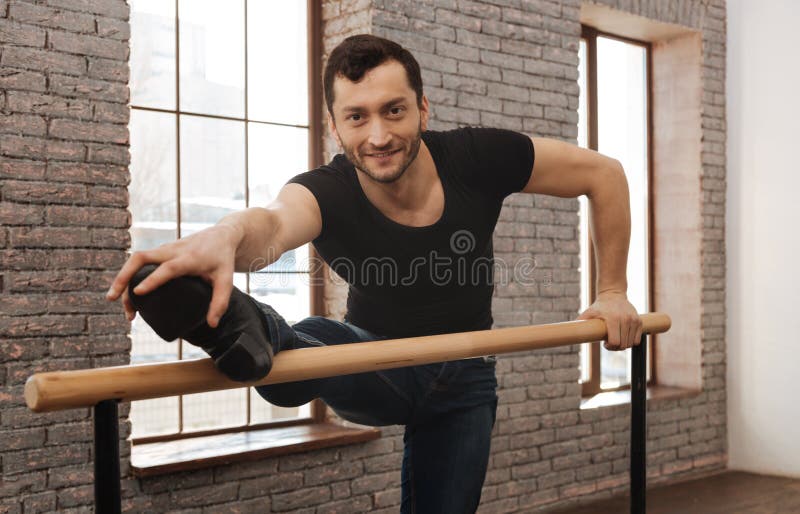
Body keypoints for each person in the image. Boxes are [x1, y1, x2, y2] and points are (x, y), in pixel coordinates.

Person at [107, 34, 642, 513]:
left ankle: (259, 337)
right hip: (373, 359)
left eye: (394, 111)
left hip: (465, 378)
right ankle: (239, 330)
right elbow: (272, 223)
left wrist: (613, 291)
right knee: (305, 351)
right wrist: (223, 236)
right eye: (357, 117)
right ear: (336, 126)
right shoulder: (326, 189)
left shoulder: (477, 156)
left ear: (423, 109)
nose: (379, 135)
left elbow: (605, 174)